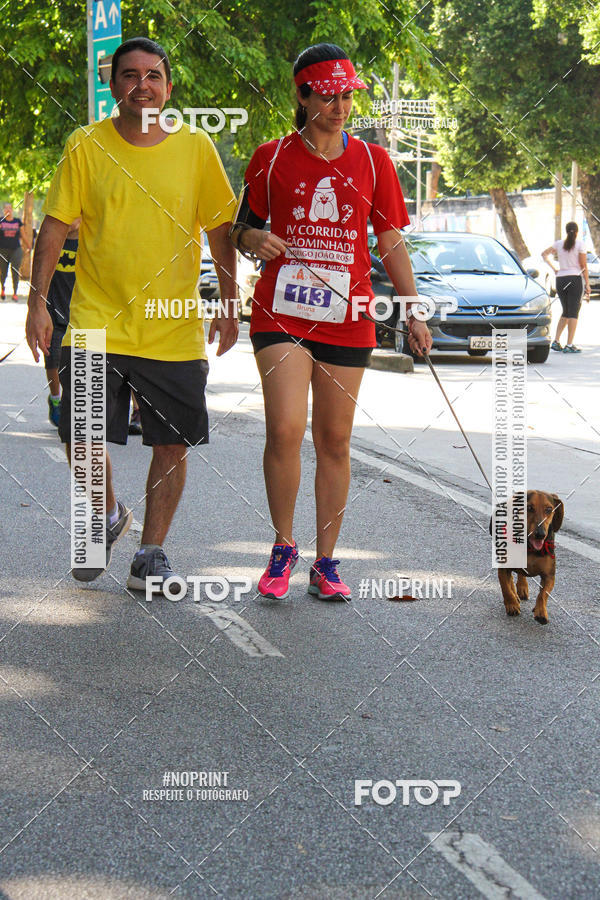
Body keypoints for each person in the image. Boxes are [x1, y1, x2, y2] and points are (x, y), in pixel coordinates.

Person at [26, 37, 238, 591]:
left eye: (153, 75)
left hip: (173, 327)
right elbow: (53, 227)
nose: (141, 84)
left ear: (169, 86)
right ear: (113, 84)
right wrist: (37, 303)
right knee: (82, 431)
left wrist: (231, 305)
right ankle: (109, 512)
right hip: (97, 318)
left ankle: (151, 552)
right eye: (129, 75)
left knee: (171, 444)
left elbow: (220, 229)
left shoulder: (196, 147)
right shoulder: (85, 144)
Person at [230, 43, 431, 602]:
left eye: (347, 95)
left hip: (349, 316)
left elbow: (390, 240)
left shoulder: (373, 161)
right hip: (283, 311)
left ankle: (326, 562)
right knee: (285, 430)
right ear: (302, 95)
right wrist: (253, 238)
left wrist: (412, 310)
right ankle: (282, 546)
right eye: (328, 95)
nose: (340, 106)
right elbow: (239, 228)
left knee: (336, 440)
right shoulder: (271, 157)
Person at [44, 218, 80, 427]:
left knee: (81, 367)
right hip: (54, 312)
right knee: (54, 359)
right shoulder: (53, 241)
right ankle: (56, 400)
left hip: (84, 315)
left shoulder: (90, 242)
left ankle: (74, 407)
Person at [542, 221, 590, 353]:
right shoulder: (580, 244)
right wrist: (587, 284)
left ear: (566, 230)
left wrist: (554, 268)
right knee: (573, 312)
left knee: (566, 311)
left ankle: (556, 341)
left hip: (561, 279)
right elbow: (583, 266)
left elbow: (544, 254)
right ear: (577, 231)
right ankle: (569, 344)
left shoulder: (558, 244)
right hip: (574, 279)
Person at [0, 202, 31, 301]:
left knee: (15, 271)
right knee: (3, 272)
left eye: (9, 208)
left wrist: (29, 245)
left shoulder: (17, 221)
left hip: (16, 250)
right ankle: (3, 289)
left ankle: (15, 293)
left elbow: (23, 234)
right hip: (3, 250)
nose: (8, 210)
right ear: (4, 210)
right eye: (6, 208)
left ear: (12, 210)